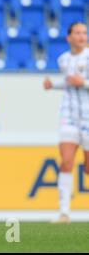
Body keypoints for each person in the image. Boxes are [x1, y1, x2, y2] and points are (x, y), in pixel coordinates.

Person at [43, 22, 89, 223]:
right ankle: (64, 213)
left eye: (84, 32)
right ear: (68, 37)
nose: (81, 36)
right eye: (77, 32)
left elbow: (79, 83)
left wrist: (85, 83)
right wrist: (53, 85)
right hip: (68, 116)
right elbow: (69, 83)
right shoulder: (63, 60)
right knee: (67, 161)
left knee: (87, 168)